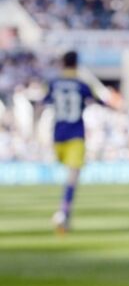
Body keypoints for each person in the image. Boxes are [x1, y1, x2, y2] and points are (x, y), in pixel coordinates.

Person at [42, 50, 120, 234]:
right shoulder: (82, 85)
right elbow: (99, 102)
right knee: (73, 176)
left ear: (62, 63)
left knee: (66, 173)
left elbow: (44, 103)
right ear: (76, 64)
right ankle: (63, 212)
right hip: (75, 135)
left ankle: (63, 214)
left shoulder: (53, 83)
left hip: (57, 135)